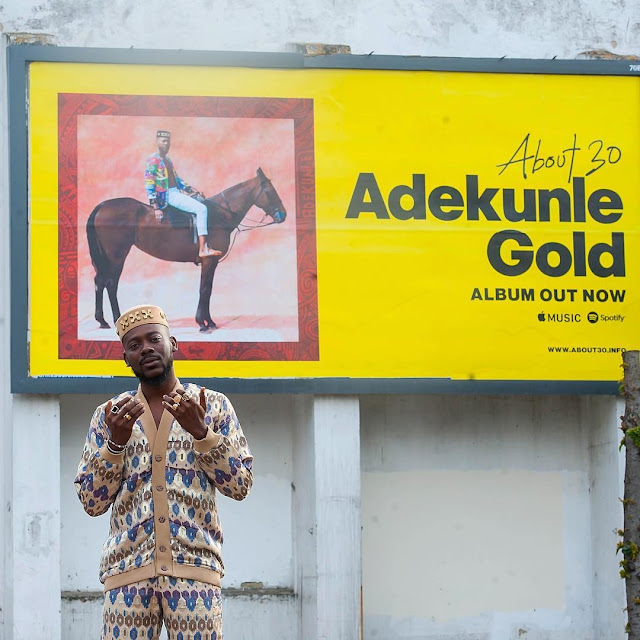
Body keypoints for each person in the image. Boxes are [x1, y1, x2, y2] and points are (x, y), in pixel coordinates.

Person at [75, 304, 253, 639]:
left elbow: (240, 485)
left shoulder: (211, 405)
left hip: (196, 573)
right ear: (126, 358)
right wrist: (114, 444)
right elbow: (91, 502)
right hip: (126, 576)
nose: (146, 349)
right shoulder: (110, 415)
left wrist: (203, 433)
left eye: (154, 339)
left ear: (173, 343)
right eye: (135, 345)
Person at [145, 130, 222, 258]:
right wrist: (155, 206)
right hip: (168, 195)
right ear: (156, 142)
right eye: (163, 141)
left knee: (201, 202)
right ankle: (203, 249)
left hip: (176, 192)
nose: (166, 144)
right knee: (202, 209)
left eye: (168, 142)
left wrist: (189, 189)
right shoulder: (153, 160)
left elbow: (176, 179)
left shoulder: (167, 160)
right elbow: (149, 181)